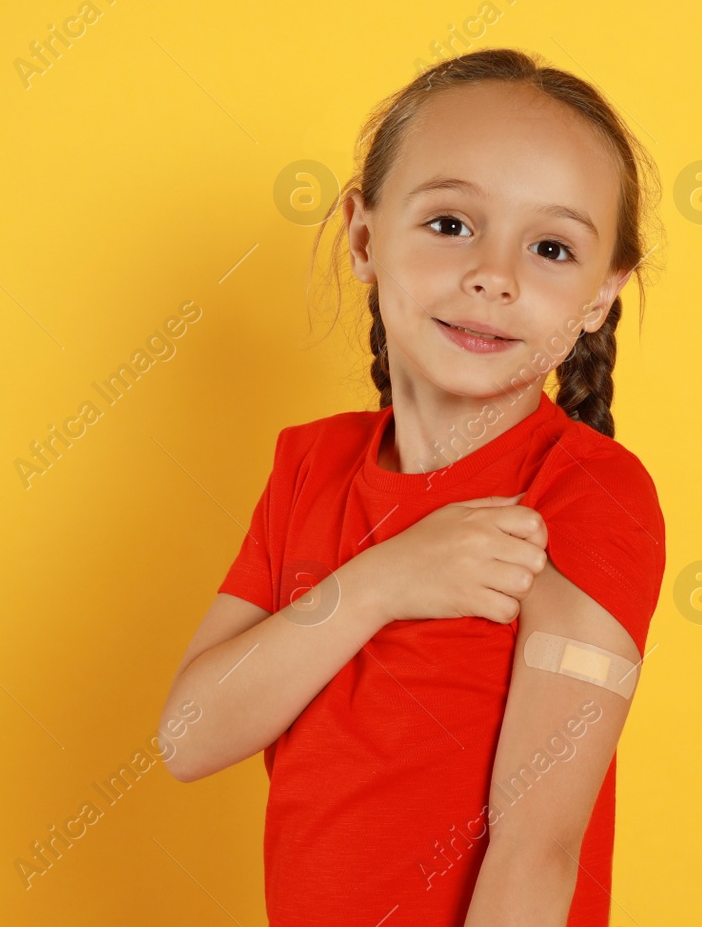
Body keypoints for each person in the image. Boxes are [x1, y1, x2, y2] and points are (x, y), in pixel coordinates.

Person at [158, 47, 667, 925]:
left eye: (550, 247)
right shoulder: (309, 467)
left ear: (600, 294)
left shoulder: (586, 493)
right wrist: (381, 583)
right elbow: (189, 736)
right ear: (363, 237)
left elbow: (536, 849)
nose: (493, 276)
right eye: (450, 224)